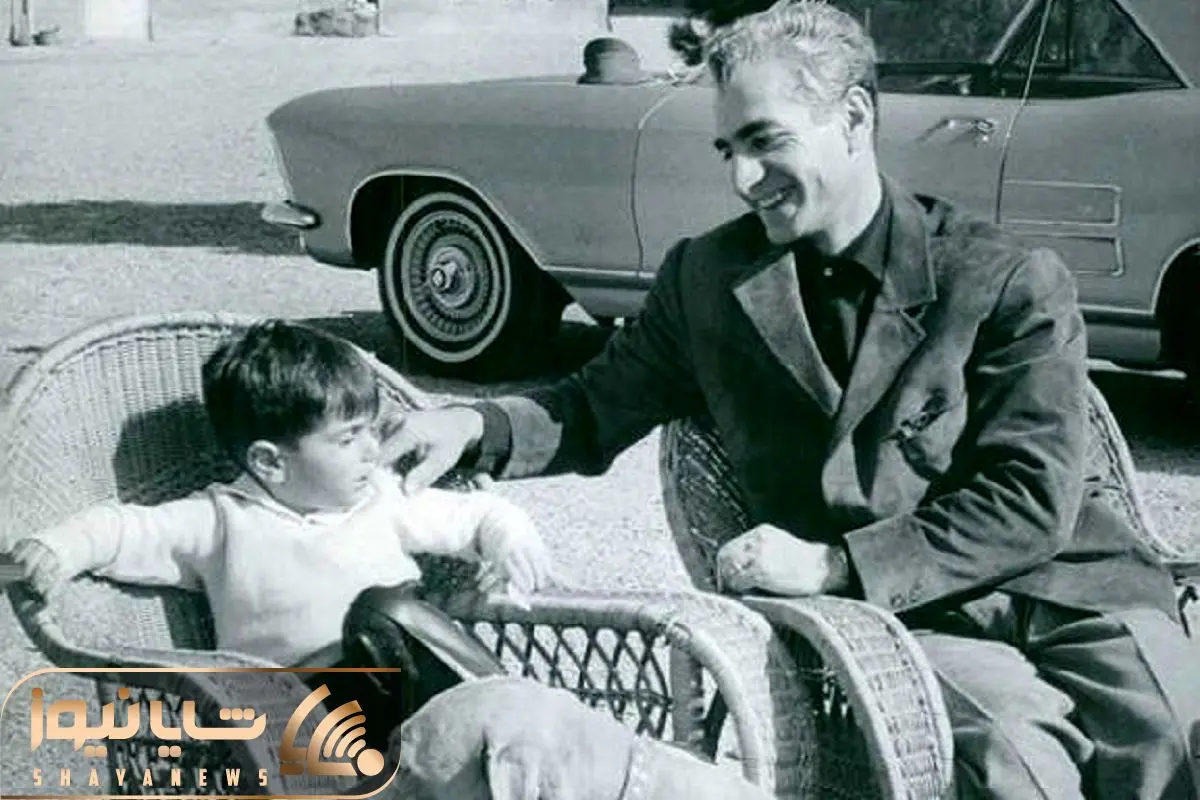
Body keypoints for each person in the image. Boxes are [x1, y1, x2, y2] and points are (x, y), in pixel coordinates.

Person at [376, 2, 1199, 797]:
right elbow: (593, 406)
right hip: (912, 622)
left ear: (854, 117)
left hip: (1078, 590)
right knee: (1018, 764)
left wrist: (832, 561)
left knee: (1178, 742)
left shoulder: (1004, 278)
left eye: (765, 140)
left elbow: (1030, 497)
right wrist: (472, 422)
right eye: (727, 148)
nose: (742, 178)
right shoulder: (708, 282)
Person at [10, 319, 552, 746]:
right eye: (348, 439)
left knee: (397, 619)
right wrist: (56, 548)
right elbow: (120, 528)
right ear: (270, 462)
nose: (372, 451)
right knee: (387, 612)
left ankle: (513, 725)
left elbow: (475, 515)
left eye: (371, 431)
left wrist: (508, 538)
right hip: (290, 725)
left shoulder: (384, 499)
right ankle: (509, 723)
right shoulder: (220, 521)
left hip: (404, 711)